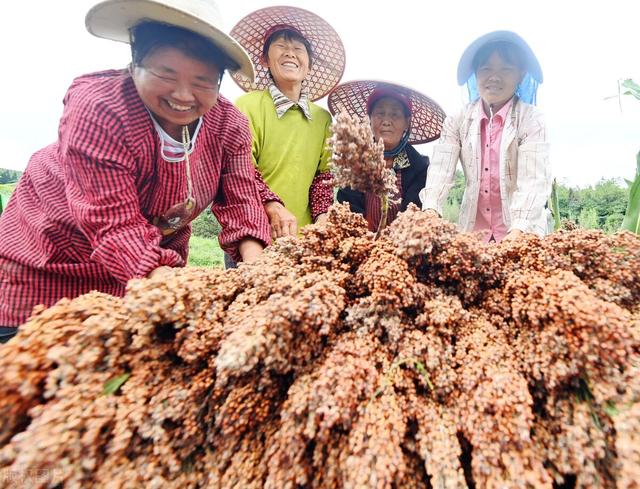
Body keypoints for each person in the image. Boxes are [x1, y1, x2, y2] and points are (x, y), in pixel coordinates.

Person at [0, 0, 278, 341]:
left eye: (203, 81)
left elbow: (241, 200)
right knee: (39, 365)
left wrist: (261, 276)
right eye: (166, 74)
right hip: (52, 258)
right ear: (135, 64)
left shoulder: (228, 124)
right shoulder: (101, 107)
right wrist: (181, 293)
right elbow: (113, 224)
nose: (182, 95)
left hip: (150, 267)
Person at [228, 6, 346, 250]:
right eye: (281, 46)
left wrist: (323, 217)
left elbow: (323, 178)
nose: (290, 53)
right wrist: (273, 207)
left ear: (309, 65)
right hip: (252, 237)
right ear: (264, 60)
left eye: (298, 49)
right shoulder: (247, 106)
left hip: (302, 242)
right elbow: (241, 172)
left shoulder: (322, 118)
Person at [419, 30, 552, 243]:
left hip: (521, 232)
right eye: (486, 68)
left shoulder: (531, 119)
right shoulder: (458, 119)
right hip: (474, 233)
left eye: (506, 69)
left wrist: (518, 230)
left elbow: (533, 182)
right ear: (475, 74)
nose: (494, 77)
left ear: (520, 74)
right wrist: (431, 211)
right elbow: (440, 171)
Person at [328, 80, 446, 232]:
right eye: (380, 113)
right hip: (360, 244)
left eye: (395, 115)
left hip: (402, 245)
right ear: (370, 119)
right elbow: (348, 209)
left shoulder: (420, 167)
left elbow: (414, 214)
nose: (386, 121)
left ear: (406, 123)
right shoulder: (355, 161)